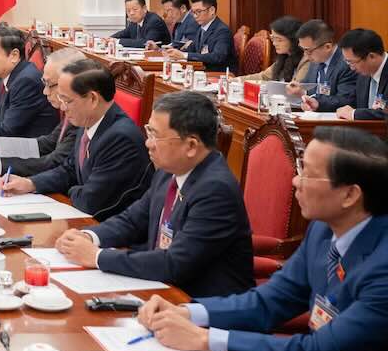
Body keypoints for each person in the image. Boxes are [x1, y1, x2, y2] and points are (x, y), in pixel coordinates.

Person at [137, 127, 388, 351]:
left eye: (307, 173)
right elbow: (269, 301)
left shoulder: (382, 266)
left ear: (350, 195)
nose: (295, 181)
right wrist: (187, 312)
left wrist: (204, 339)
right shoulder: (322, 230)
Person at [55, 91, 253, 297]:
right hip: (160, 288)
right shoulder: (168, 172)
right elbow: (132, 220)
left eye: (156, 136)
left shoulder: (216, 191)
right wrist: (88, 236)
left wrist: (97, 257)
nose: (148, 143)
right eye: (148, 132)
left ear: (191, 145)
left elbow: (175, 263)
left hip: (199, 302)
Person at [0, 61, 152, 220]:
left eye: (67, 101)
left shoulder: (120, 139)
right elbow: (69, 170)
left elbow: (89, 201)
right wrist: (30, 183)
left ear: (92, 99)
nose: (63, 108)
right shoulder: (89, 120)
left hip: (105, 226)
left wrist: (71, 189)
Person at [0, 47, 84, 177]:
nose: (45, 91)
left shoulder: (80, 116)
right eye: (45, 83)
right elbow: (46, 143)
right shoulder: (70, 112)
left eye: (50, 85)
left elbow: (54, 161)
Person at [293, 19, 358, 112]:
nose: (305, 55)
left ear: (327, 47)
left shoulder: (347, 63)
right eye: (302, 49)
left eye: (308, 50)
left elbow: (345, 100)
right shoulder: (315, 60)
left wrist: (317, 103)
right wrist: (299, 91)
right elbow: (309, 89)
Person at [162, 0, 235, 72]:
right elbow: (193, 48)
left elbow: (217, 57)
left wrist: (184, 55)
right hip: (203, 72)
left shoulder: (222, 31)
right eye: (193, 12)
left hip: (219, 74)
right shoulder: (202, 28)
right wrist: (174, 53)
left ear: (212, 10)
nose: (195, 16)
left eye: (198, 11)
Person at [333, 28, 388, 121]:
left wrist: (354, 114)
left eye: (352, 62)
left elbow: (385, 113)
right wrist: (319, 103)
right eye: (347, 62)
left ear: (372, 56)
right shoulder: (363, 75)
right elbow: (350, 100)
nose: (351, 68)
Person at [242, 15, 308, 83]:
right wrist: (236, 80)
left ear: (294, 40)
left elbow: (296, 86)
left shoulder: (306, 60)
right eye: (273, 38)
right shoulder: (284, 57)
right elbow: (263, 77)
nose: (274, 43)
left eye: (279, 40)